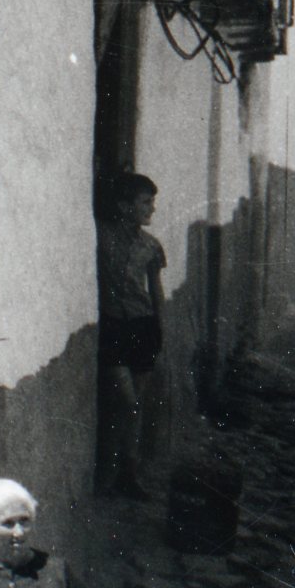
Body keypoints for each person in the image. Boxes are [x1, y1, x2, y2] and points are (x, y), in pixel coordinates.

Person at [95, 173, 165, 498]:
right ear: (125, 206)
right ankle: (110, 475)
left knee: (134, 403)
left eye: (152, 202)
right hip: (114, 326)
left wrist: (161, 330)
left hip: (143, 327)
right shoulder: (102, 236)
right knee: (126, 401)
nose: (151, 209)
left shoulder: (151, 247)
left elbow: (156, 292)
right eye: (145, 202)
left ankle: (129, 474)